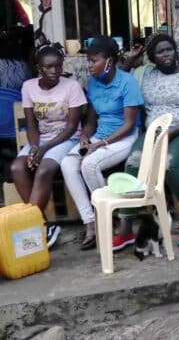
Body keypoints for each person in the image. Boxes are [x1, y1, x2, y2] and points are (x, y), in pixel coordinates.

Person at [114, 34, 179, 250]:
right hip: (154, 134)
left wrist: (174, 130)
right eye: (160, 52)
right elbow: (117, 76)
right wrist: (132, 58)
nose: (166, 54)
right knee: (133, 163)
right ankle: (126, 231)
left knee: (169, 165)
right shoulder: (144, 74)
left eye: (169, 49)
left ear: (175, 51)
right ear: (152, 57)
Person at [60, 36, 143, 249]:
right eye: (88, 60)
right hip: (99, 137)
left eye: (94, 60)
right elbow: (91, 121)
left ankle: (110, 218)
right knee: (68, 164)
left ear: (109, 61)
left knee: (89, 164)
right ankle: (91, 223)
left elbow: (129, 124)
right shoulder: (93, 84)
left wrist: (102, 143)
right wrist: (86, 137)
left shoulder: (127, 82)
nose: (89, 65)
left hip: (123, 137)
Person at [9, 43, 86, 248]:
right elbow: (31, 124)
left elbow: (71, 127)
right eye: (48, 67)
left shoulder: (72, 87)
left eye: (58, 66)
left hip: (67, 139)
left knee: (44, 170)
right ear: (39, 68)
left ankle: (31, 230)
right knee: (17, 167)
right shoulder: (29, 86)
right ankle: (42, 224)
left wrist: (43, 149)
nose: (54, 71)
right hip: (41, 139)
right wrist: (34, 147)